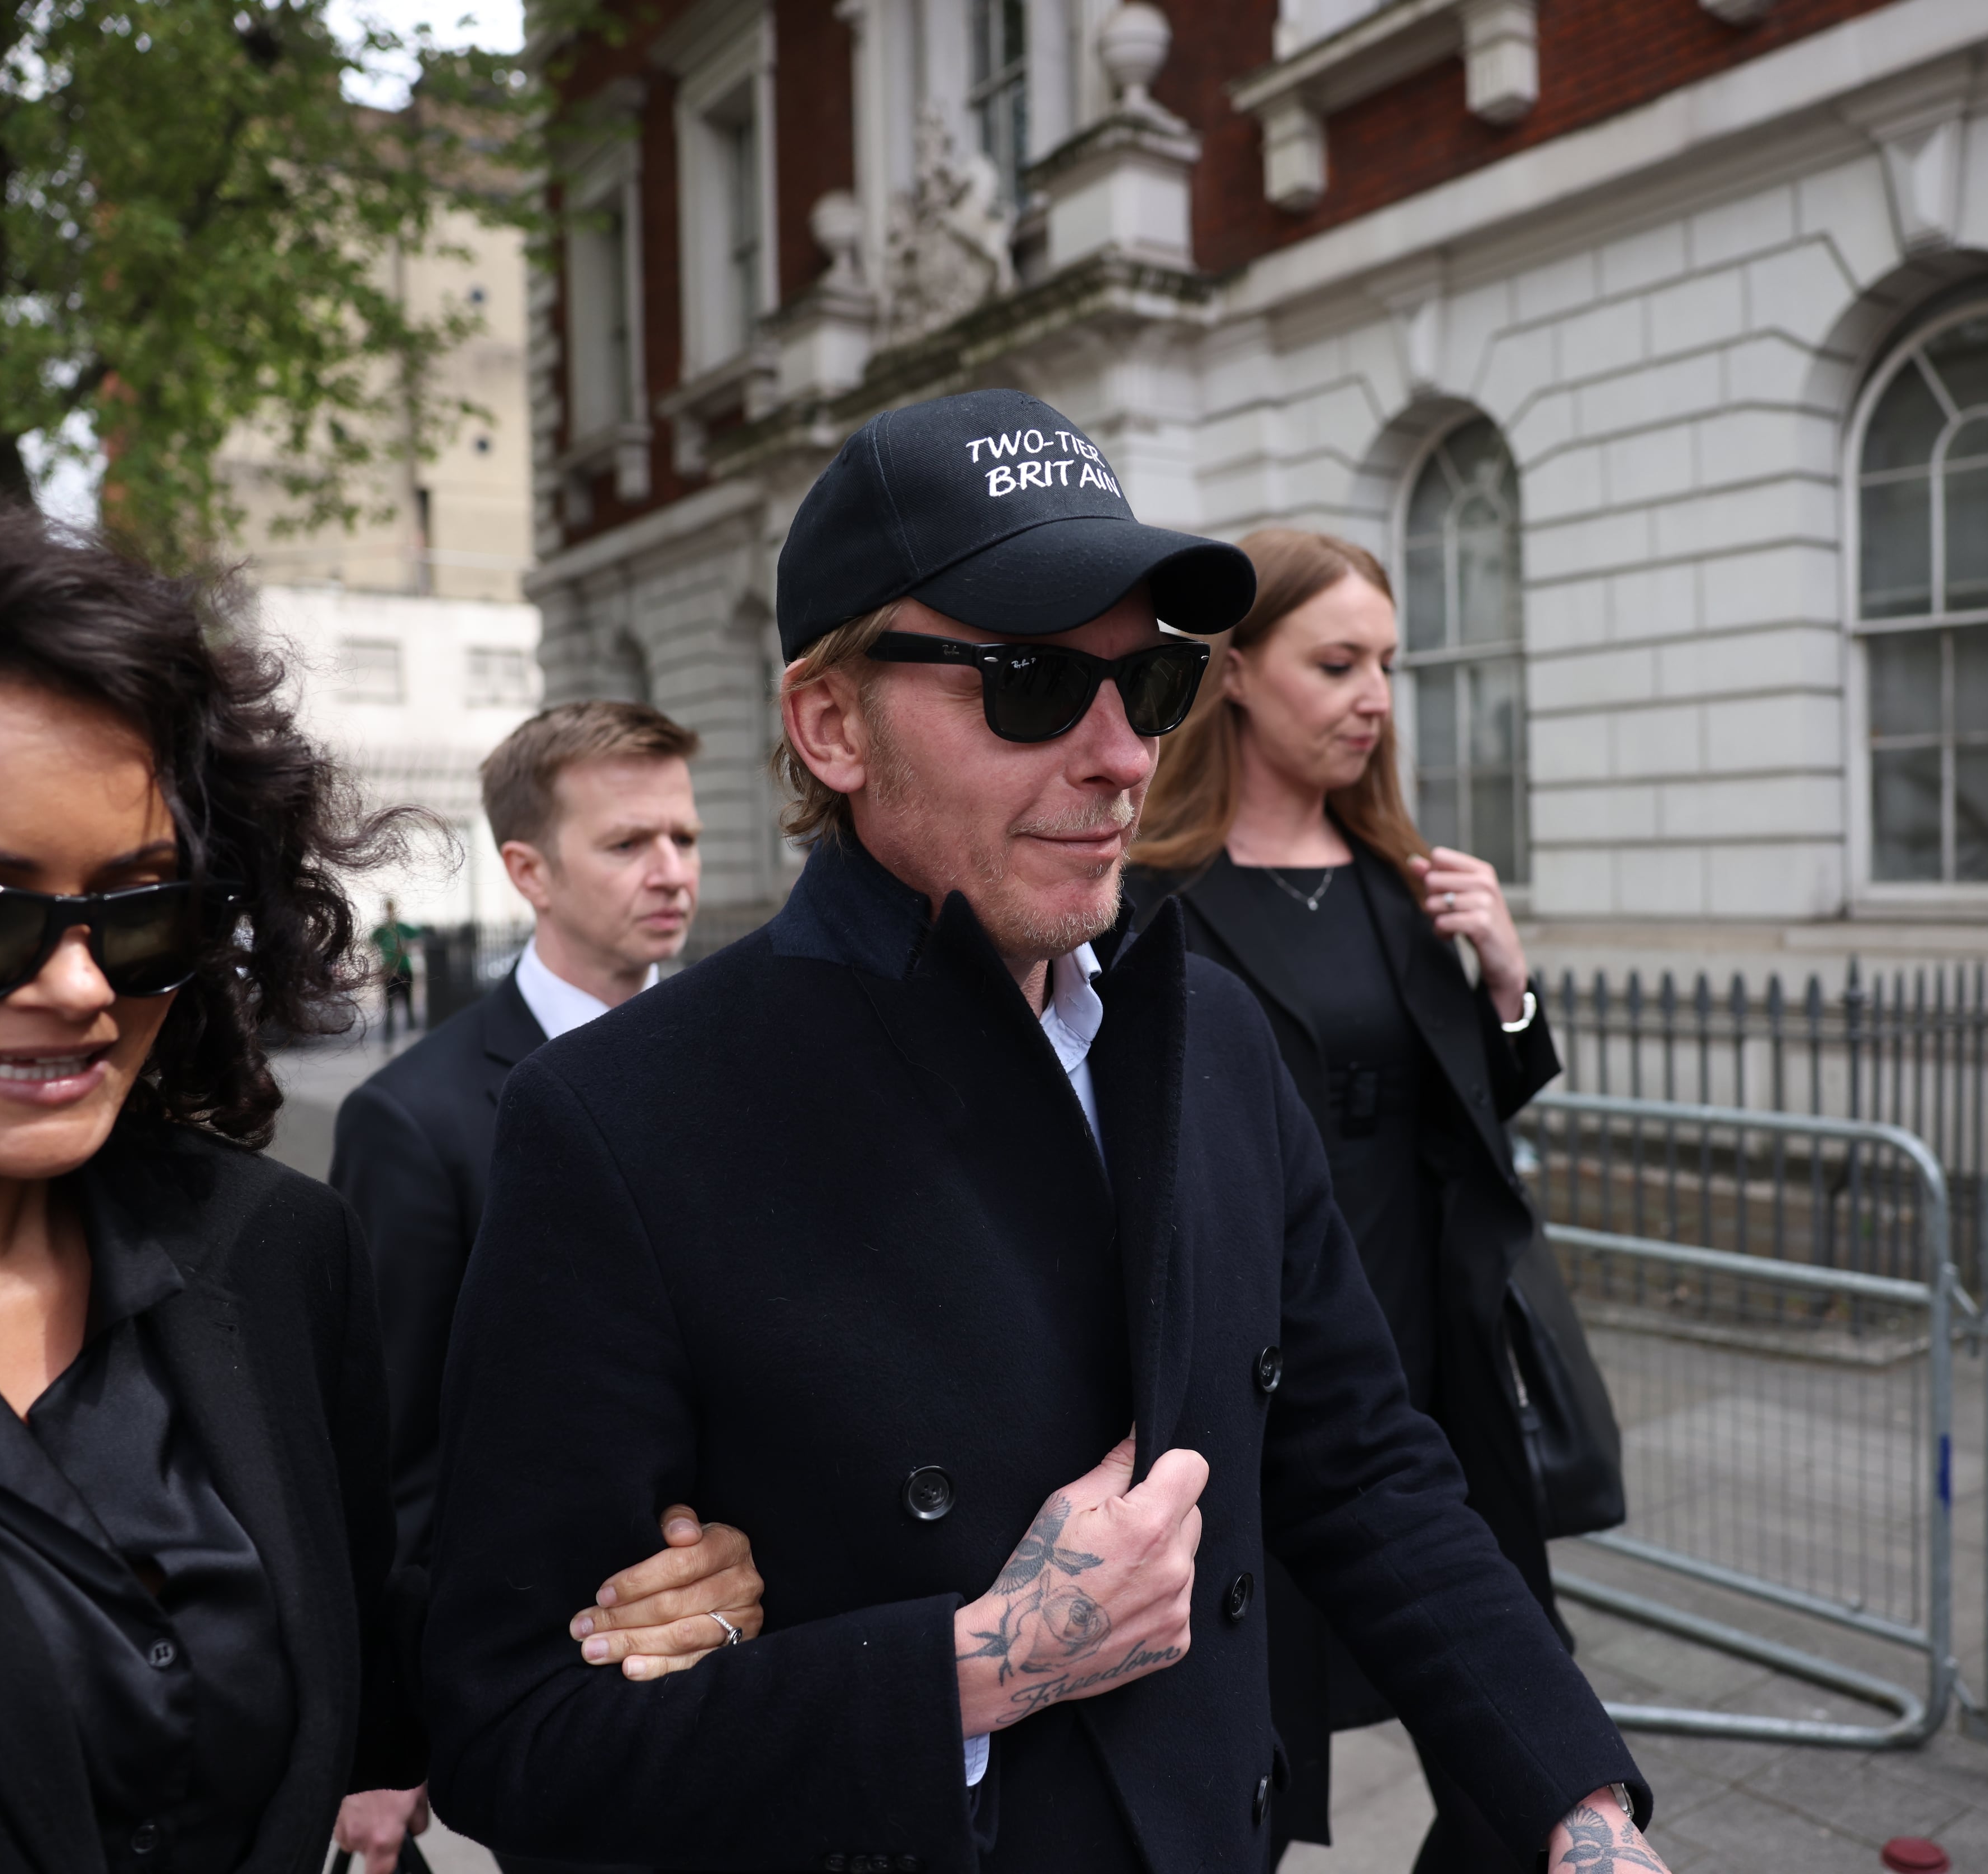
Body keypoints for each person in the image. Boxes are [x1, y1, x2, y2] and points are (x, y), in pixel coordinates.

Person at [424, 389, 1665, 1873]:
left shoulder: (1214, 1037)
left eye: (1144, 685)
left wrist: (1579, 1803)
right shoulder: (622, 1117)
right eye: (1026, 683)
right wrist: (980, 1662)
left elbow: (1362, 1458)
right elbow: (512, 1737)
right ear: (829, 722)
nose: (1121, 754)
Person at [0, 501, 428, 1871]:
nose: (74, 987)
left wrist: (682, 1588)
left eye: (142, 912)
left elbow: (392, 1693)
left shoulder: (277, 1253)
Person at [1124, 528, 1619, 1871]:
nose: (1375, 696)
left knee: (1516, 1741)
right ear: (1229, 673)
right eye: (1336, 661)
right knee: (1236, 1752)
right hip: (1237, 1395)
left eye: (1385, 664)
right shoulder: (1140, 897)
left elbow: (1457, 1124)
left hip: (1422, 1379)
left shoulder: (1413, 885)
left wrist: (1506, 981)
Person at [329, 698, 745, 1874]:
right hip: (577, 1690)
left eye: (684, 836)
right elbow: (392, 1460)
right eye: (627, 843)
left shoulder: (754, 1061)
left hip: (783, 1656)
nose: (670, 871)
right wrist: (389, 1733)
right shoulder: (415, 1119)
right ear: (529, 868)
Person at [370, 899, 422, 1043]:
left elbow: (418, 938)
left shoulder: (403, 928)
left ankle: (411, 1033)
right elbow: (371, 945)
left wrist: (409, 946)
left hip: (404, 968)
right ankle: (389, 1034)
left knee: (408, 1001)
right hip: (389, 970)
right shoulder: (381, 930)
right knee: (389, 1005)